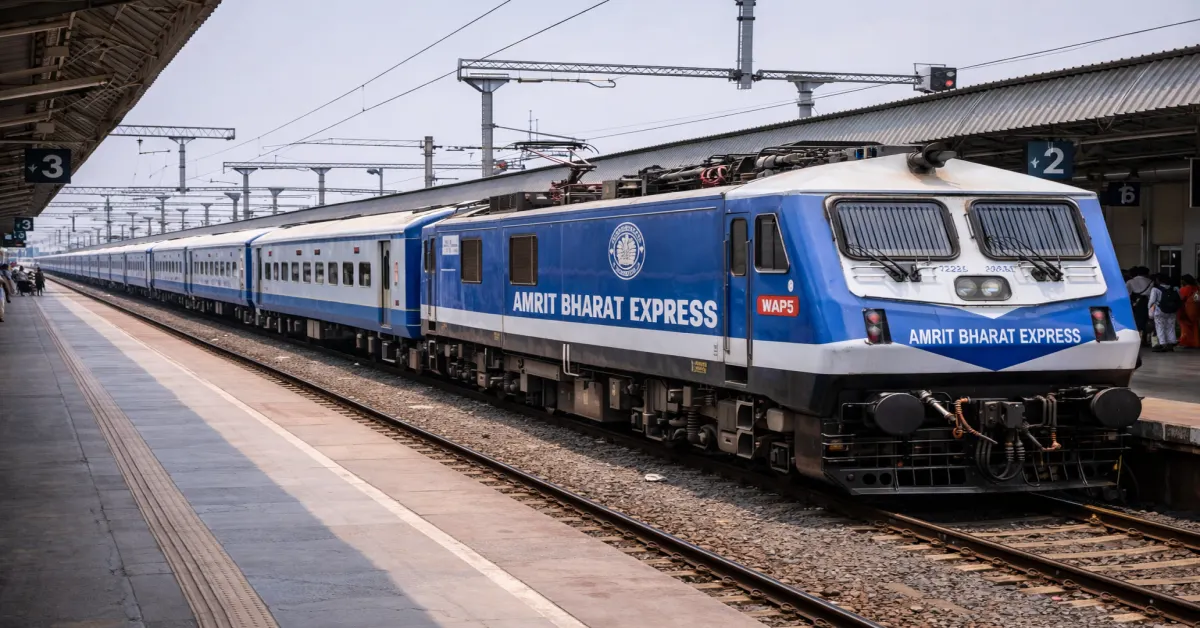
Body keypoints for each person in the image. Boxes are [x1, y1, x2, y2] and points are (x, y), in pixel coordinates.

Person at [1149, 273, 1181, 352]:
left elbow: (1151, 302)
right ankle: (1171, 342)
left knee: (1160, 326)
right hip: (1172, 311)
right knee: (1170, 326)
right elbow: (1178, 299)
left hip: (1159, 310)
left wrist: (1150, 311)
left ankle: (1162, 343)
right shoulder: (1175, 288)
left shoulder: (1155, 289)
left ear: (1158, 280)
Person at [1126, 266, 1154, 347]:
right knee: (1146, 320)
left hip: (1135, 302)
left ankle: (1136, 338)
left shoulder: (1130, 281)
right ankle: (1144, 338)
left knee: (1136, 320)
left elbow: (1127, 294)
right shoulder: (1150, 281)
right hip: (1147, 302)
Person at [1180, 274, 1200, 349]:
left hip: (1186, 309)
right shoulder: (1197, 288)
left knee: (1185, 326)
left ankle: (1187, 342)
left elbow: (1181, 298)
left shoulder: (1185, 289)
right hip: (1196, 309)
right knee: (1195, 326)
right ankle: (1196, 342)